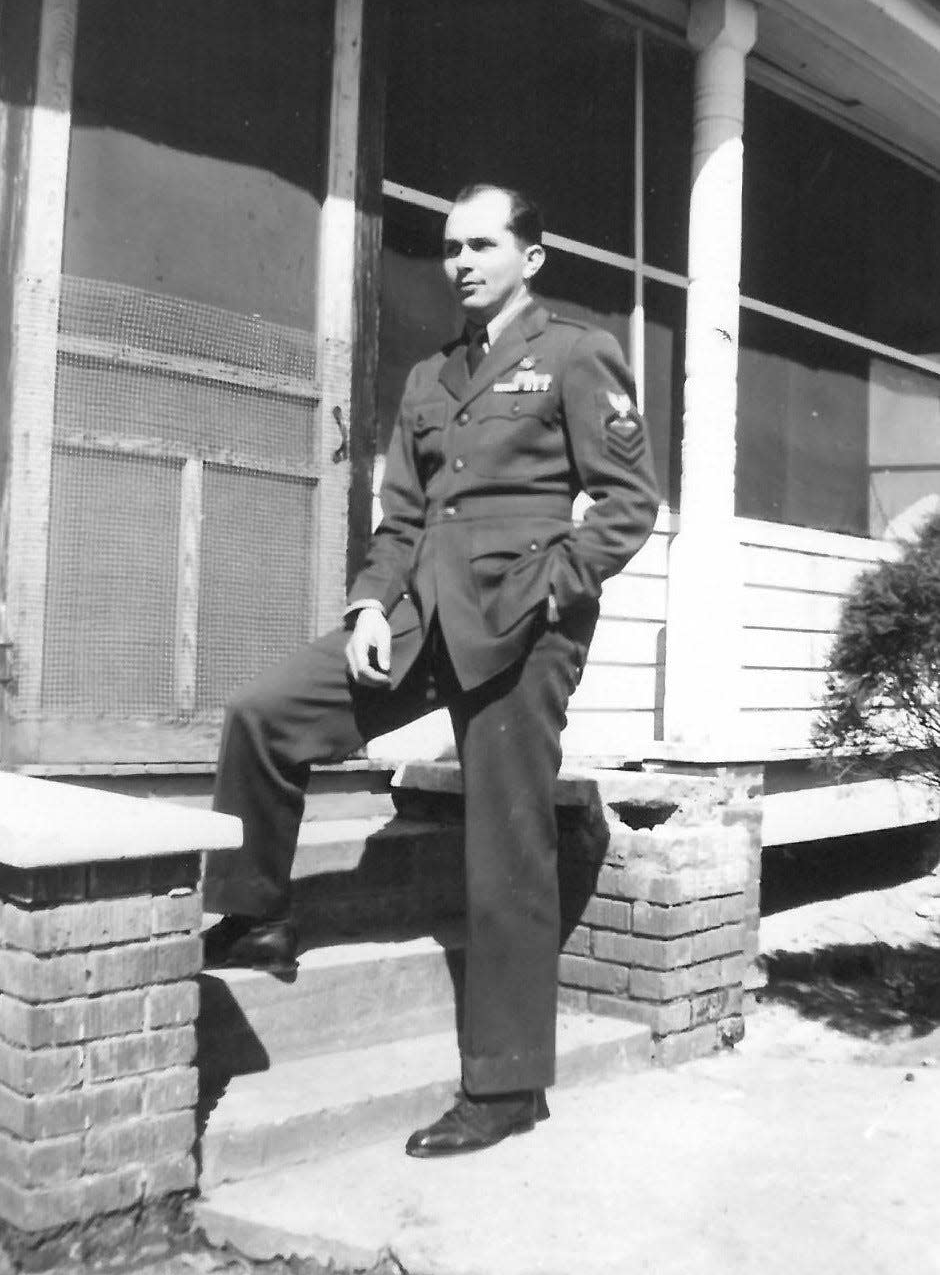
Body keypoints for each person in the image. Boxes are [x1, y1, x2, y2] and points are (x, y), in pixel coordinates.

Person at [203, 183, 659, 1157]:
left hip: (520, 628)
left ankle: (507, 1087)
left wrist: (554, 586)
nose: (461, 261)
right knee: (264, 715)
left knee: (504, 848)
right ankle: (258, 913)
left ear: (528, 258)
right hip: (416, 620)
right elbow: (402, 518)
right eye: (451, 246)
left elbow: (628, 503)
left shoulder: (575, 356)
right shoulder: (426, 378)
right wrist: (370, 603)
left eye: (483, 244)